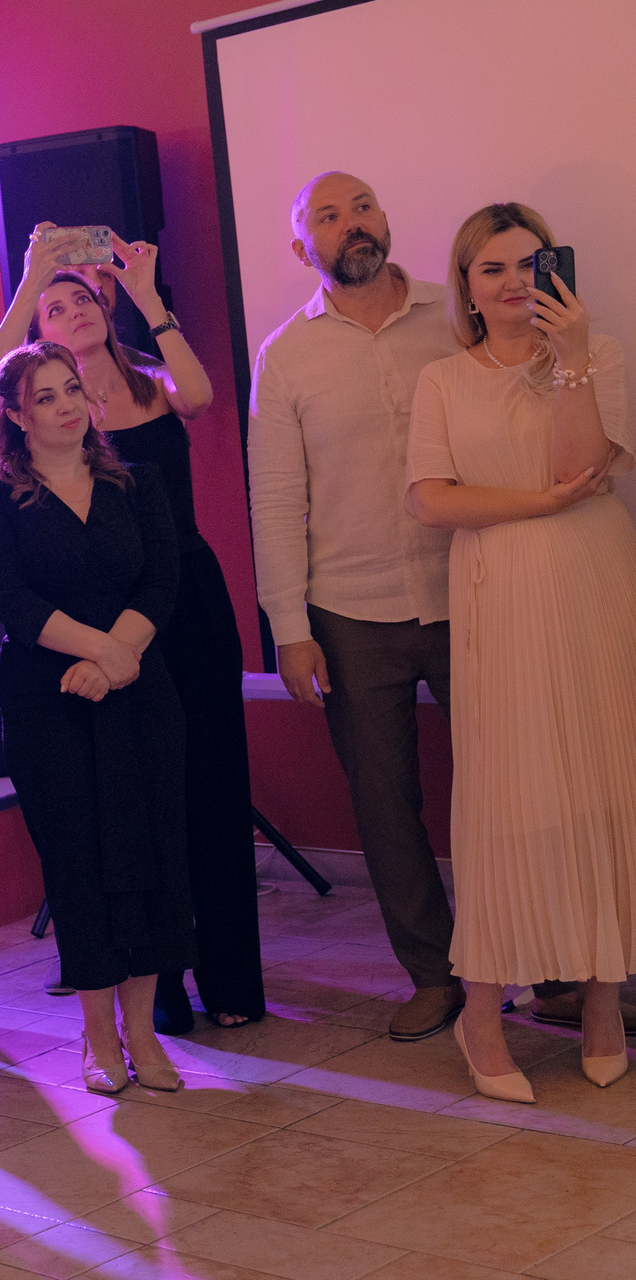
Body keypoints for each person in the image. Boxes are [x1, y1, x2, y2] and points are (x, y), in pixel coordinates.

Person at [0, 226, 263, 1034]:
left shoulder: (153, 381)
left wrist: (145, 293)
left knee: (212, 786)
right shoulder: (56, 416)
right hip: (99, 617)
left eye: (82, 298)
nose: (73, 311)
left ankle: (231, 979)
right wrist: (30, 280)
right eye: (54, 307)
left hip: (182, 596)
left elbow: (201, 395)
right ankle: (156, 987)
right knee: (135, 806)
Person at [406, 202, 636, 1102]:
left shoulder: (598, 353)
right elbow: (431, 500)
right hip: (499, 592)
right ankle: (482, 1009)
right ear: (466, 286)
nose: (513, 283)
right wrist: (539, 505)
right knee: (507, 796)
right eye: (492, 268)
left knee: (604, 782)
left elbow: (587, 467)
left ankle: (603, 999)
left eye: (530, 264)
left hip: (596, 582)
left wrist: (571, 357)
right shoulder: (441, 378)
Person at [247, 172, 467, 1043]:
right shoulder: (284, 356)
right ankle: (435, 976)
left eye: (363, 206)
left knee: (508, 785)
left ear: (385, 217)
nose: (352, 225)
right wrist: (289, 630)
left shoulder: (457, 316)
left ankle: (554, 971)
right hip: (349, 613)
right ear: (303, 247)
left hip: (470, 591)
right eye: (329, 217)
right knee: (384, 804)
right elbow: (275, 502)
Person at [0, 341, 194, 1095]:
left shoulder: (137, 482)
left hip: (139, 691)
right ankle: (98, 1037)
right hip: (49, 698)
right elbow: (13, 602)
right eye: (46, 397)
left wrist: (119, 660)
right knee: (78, 863)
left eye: (72, 389)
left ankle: (144, 1032)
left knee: (152, 854)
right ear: (14, 414)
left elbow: (162, 579)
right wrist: (105, 654)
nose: (67, 405)